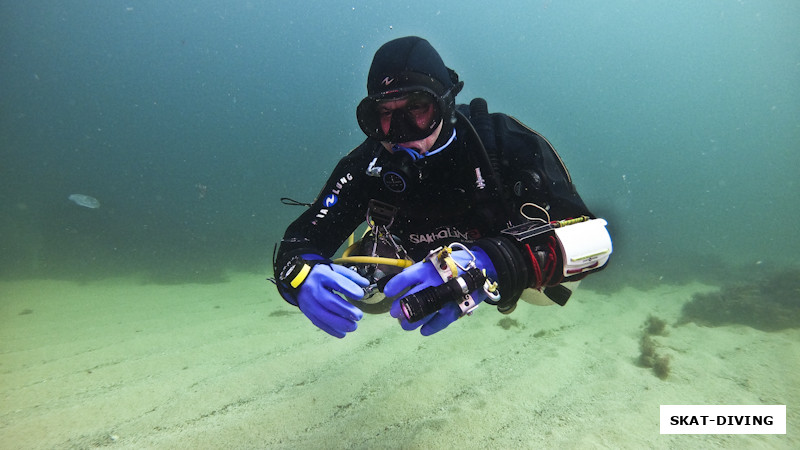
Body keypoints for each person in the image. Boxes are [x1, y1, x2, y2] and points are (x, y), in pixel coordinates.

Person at [273, 36, 612, 338]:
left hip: (506, 256)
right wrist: (299, 278)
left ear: (445, 102)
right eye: (386, 112)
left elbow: (597, 241)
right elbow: (299, 241)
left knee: (547, 296)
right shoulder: (367, 164)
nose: (401, 130)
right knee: (371, 290)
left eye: (417, 107)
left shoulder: (503, 143)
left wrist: (497, 262)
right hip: (408, 265)